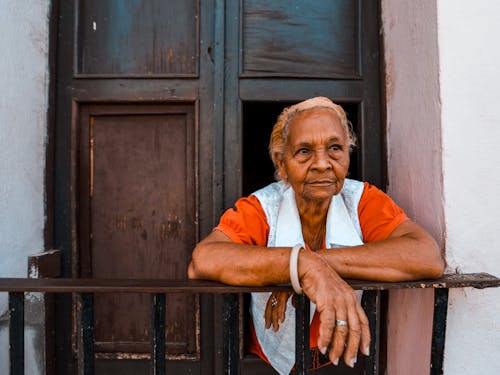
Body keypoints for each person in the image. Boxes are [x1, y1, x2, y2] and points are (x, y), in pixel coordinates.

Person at [188, 97, 445, 374]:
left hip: (339, 362)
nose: (322, 164)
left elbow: (426, 256)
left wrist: (312, 264)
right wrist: (301, 265)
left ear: (347, 153)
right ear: (282, 163)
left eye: (335, 148)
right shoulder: (263, 207)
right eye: (304, 151)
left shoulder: (361, 200)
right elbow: (204, 259)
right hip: (266, 363)